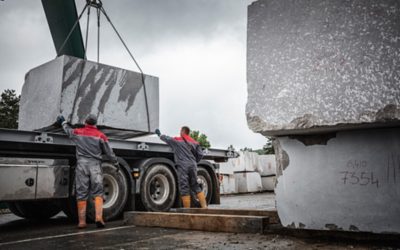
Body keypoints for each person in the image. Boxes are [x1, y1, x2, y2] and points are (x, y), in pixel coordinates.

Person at [56, 114, 118, 229]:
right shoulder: (101, 136)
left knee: (81, 193)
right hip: (95, 166)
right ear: (95, 124)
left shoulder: (78, 132)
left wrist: (63, 122)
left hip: (82, 166)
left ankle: (82, 222)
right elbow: (109, 153)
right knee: (98, 192)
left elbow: (68, 131)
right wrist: (115, 163)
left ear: (85, 122)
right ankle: (99, 218)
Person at [155, 126, 207, 208]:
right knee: (195, 185)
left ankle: (187, 210)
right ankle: (204, 207)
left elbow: (167, 139)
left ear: (182, 132)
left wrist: (159, 134)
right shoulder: (195, 142)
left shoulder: (177, 140)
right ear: (188, 132)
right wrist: (194, 161)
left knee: (184, 186)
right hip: (193, 165)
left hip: (183, 165)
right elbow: (200, 154)